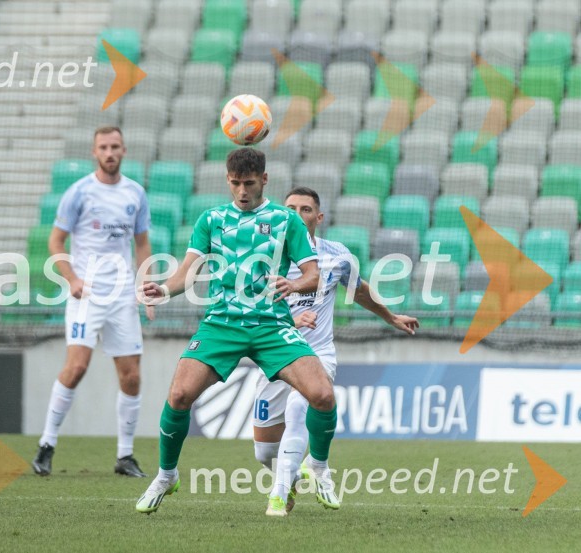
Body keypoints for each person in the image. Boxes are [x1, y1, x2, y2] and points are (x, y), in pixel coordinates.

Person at [135, 148, 338, 514]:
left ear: (264, 179)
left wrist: (294, 286)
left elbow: (313, 275)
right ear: (227, 180)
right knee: (179, 394)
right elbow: (188, 271)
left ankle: (318, 466)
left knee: (322, 394)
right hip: (223, 323)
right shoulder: (211, 219)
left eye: (248, 183)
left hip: (272, 325)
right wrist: (164, 289)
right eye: (234, 183)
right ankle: (166, 475)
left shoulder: (285, 220)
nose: (241, 191)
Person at [255, 187, 419, 516]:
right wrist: (289, 319)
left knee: (300, 411)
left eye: (305, 209)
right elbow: (249, 309)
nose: (297, 214)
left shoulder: (336, 255)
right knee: (264, 452)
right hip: (275, 356)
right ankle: (299, 469)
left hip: (317, 355)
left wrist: (391, 317)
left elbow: (359, 291)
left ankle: (281, 491)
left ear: (318, 217)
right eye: (291, 208)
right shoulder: (262, 257)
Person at [32, 126, 153, 478]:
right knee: (76, 368)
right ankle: (47, 445)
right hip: (87, 295)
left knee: (131, 376)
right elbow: (56, 241)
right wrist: (71, 279)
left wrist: (143, 287)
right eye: (103, 147)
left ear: (124, 150)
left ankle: (125, 456)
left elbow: (142, 244)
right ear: (94, 151)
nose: (109, 152)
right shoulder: (79, 192)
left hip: (121, 296)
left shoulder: (135, 193)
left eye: (115, 146)